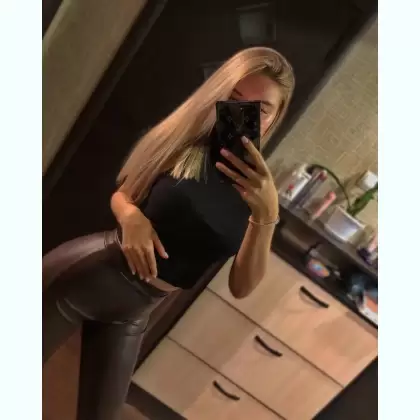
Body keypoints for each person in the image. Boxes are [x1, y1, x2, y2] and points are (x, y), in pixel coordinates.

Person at [42, 46, 295, 420]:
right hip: (86, 274)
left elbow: (242, 286)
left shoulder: (258, 193)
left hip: (135, 311)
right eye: (236, 98)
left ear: (276, 116)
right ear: (219, 94)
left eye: (262, 108)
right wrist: (131, 216)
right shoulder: (184, 141)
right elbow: (123, 194)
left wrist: (267, 213)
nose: (245, 113)